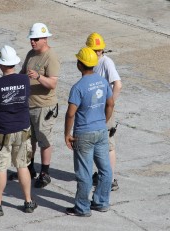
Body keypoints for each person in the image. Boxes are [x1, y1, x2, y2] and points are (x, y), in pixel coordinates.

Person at [0, 45, 37, 217]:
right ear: (14, 63)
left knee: (1, 168)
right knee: (23, 166)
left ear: (0, 64)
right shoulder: (25, 80)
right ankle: (28, 201)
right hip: (22, 129)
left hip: (1, 131)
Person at [64, 47, 114, 217]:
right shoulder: (102, 81)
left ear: (80, 64)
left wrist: (67, 134)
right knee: (105, 169)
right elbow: (111, 104)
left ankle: (82, 208)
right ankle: (101, 203)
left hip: (83, 134)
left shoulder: (78, 87)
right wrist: (103, 121)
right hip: (101, 130)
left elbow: (71, 113)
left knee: (84, 173)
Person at [11, 22, 60, 188]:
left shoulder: (51, 57)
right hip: (28, 105)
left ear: (45, 39)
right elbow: (23, 72)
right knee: (28, 139)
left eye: (36, 39)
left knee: (44, 140)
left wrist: (38, 76)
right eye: (31, 38)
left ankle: (45, 173)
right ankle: (30, 169)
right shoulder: (31, 53)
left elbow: (52, 84)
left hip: (44, 107)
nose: (32, 41)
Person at [85, 32, 122, 191]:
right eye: (94, 50)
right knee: (99, 144)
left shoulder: (107, 62)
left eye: (99, 50)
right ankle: (102, 173)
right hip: (96, 110)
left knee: (108, 145)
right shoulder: (92, 62)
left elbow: (118, 85)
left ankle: (111, 179)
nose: (97, 53)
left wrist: (110, 104)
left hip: (105, 110)